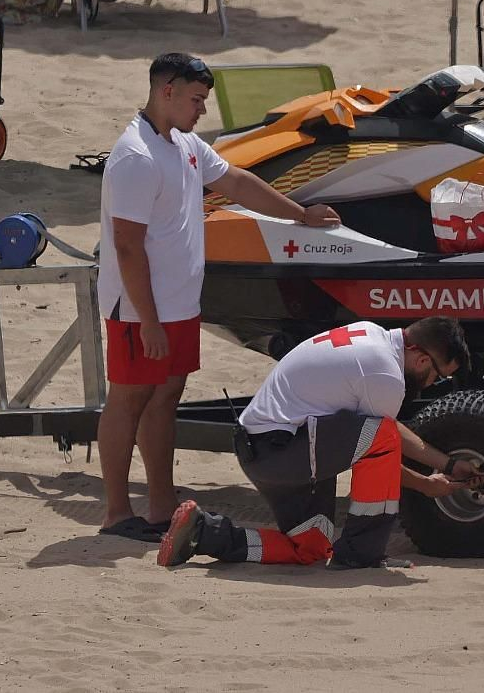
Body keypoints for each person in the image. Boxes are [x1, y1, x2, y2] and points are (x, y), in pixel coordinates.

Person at [97, 52, 341, 541]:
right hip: (140, 308)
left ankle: (160, 505)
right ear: (167, 91)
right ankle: (117, 513)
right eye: (195, 99)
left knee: (166, 396)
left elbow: (235, 181)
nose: (202, 110)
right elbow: (126, 247)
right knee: (128, 399)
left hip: (180, 302)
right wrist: (147, 321)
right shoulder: (135, 156)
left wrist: (300, 215)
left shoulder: (184, 144)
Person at [156, 318, 479, 569]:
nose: (434, 383)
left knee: (309, 549)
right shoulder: (387, 375)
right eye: (439, 376)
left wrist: (447, 465)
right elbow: (382, 444)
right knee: (382, 436)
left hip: (263, 449)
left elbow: (382, 433)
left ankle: (205, 532)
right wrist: (426, 485)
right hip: (282, 451)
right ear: (422, 360)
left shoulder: (371, 334)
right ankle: (361, 554)